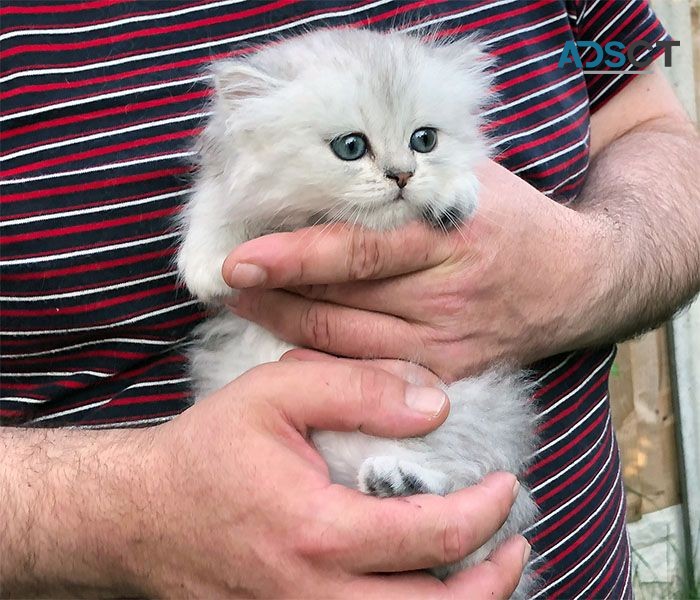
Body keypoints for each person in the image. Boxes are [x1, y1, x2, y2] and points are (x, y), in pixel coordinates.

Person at [1, 0, 698, 597]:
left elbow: (653, 131)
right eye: (352, 148)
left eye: (421, 143)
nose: (398, 172)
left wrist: (587, 268)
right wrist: (132, 517)